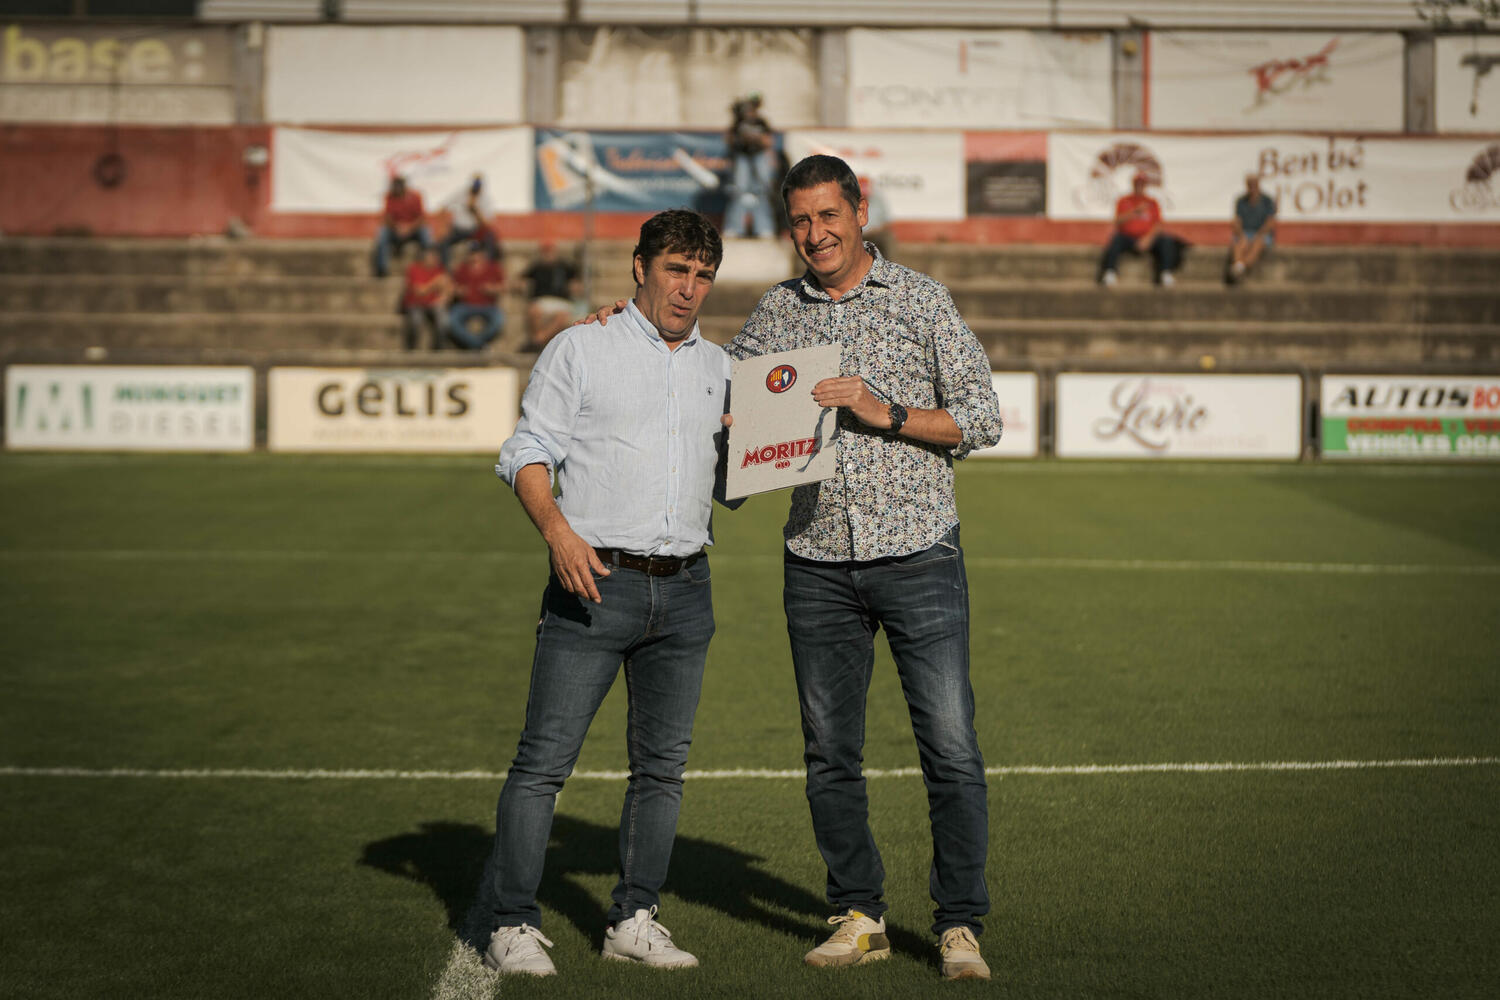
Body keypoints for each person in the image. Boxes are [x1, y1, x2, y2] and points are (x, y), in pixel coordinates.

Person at [727, 154, 1002, 981]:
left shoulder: (921, 299)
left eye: (827, 215)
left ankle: (959, 926)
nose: (815, 234)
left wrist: (886, 411)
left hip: (919, 551)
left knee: (950, 747)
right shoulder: (776, 311)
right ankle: (859, 915)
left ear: (859, 212)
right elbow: (721, 394)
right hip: (815, 560)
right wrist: (628, 328)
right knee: (828, 753)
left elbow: (982, 419)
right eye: (800, 220)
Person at [479, 209, 729, 978]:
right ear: (641, 268)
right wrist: (558, 534)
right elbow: (526, 450)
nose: (688, 288)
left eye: (702, 275)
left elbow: (729, 485)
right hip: (593, 584)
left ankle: (634, 918)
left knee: (661, 771)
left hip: (686, 590)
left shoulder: (721, 368)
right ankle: (511, 922)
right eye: (676, 269)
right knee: (544, 764)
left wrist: (761, 453)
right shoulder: (580, 347)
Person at [1098, 170, 1182, 288]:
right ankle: (1110, 273)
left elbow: (1158, 225)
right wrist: (1134, 212)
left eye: (1142, 183)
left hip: (1147, 238)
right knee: (1115, 239)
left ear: (1145, 185)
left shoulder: (1152, 202)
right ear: (1133, 184)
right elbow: (1117, 221)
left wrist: (1148, 238)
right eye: (1137, 183)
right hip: (1128, 238)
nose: (1139, 186)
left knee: (1167, 241)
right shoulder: (1124, 200)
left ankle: (1166, 273)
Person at [724, 93, 775, 238]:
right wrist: (742, 136)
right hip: (742, 157)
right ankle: (734, 227)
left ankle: (764, 227)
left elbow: (769, 141)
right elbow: (729, 140)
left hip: (759, 156)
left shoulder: (761, 122)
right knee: (738, 191)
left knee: (762, 191)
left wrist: (755, 138)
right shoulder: (738, 123)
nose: (749, 112)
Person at [522, 241, 587, 351]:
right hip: (541, 300)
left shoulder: (565, 267)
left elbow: (578, 284)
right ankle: (539, 341)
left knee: (561, 316)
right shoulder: (537, 267)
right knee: (534, 310)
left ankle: (537, 341)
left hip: (561, 301)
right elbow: (522, 279)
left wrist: (575, 287)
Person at [447, 241, 506, 351]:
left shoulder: (493, 268)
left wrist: (492, 289)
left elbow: (503, 287)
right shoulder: (462, 269)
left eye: (477, 253)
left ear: (483, 254)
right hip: (465, 306)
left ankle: (474, 345)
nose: (475, 256)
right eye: (472, 253)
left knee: (499, 320)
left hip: (488, 306)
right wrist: (458, 291)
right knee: (451, 320)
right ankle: (479, 346)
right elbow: (452, 287)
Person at [372, 175, 433, 278]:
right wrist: (397, 227)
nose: (397, 190)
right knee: (382, 233)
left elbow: (421, 218)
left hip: (413, 230)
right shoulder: (389, 197)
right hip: (396, 230)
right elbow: (387, 217)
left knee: (426, 234)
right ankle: (382, 268)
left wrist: (409, 227)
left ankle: (429, 265)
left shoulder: (416, 196)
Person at [440, 174, 501, 267]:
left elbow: (487, 224)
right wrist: (444, 226)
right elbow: (443, 207)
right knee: (443, 242)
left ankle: (488, 269)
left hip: (475, 231)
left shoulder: (486, 199)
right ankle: (446, 270)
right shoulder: (461, 193)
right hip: (458, 230)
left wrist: (474, 210)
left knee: (490, 239)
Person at [1227, 173, 1277, 285]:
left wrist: (1259, 234)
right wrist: (1241, 234)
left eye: (1254, 184)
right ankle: (1239, 267)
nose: (1252, 187)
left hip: (1262, 233)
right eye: (1250, 184)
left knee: (1257, 243)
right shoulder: (1241, 200)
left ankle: (1239, 267)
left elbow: (1270, 222)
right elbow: (1237, 221)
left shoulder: (1267, 200)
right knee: (1240, 243)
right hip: (1245, 232)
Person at [399, 244, 451, 351]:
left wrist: (445, 297)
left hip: (433, 304)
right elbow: (419, 291)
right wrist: (435, 283)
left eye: (436, 256)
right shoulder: (414, 269)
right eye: (432, 256)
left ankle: (438, 348)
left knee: (444, 321)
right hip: (415, 304)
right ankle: (411, 349)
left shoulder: (439, 269)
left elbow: (449, 286)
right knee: (416, 321)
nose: (435, 259)